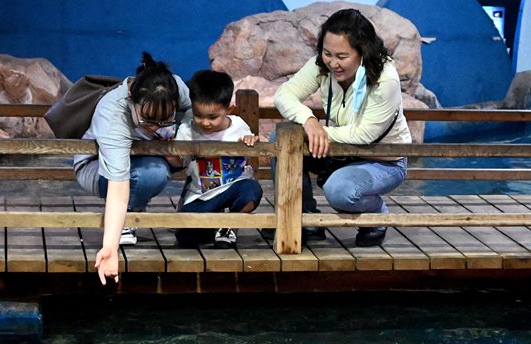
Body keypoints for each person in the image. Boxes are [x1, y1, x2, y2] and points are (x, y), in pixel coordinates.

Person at [273, 8, 411, 247]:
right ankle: (306, 220)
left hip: (383, 160)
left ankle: (377, 215)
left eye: (342, 56)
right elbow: (284, 94)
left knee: (340, 192)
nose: (333, 63)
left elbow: (363, 133)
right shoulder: (322, 65)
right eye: (327, 53)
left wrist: (319, 133)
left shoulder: (384, 78)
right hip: (340, 152)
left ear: (363, 52)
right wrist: (309, 120)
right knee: (281, 138)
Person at [73, 52, 191, 284]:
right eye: (148, 120)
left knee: (156, 169)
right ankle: (127, 221)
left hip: (146, 159)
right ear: (131, 99)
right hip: (95, 168)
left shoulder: (175, 86)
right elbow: (118, 186)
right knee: (152, 174)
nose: (155, 127)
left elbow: (191, 111)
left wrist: (179, 135)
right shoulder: (112, 115)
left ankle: (130, 214)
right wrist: (110, 247)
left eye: (164, 119)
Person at [174, 69, 262, 249]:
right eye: (199, 115)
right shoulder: (186, 131)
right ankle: (212, 225)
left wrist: (250, 140)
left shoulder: (238, 125)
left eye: (212, 117)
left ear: (228, 109)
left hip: (233, 188)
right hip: (201, 195)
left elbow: (252, 142)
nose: (205, 123)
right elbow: (178, 162)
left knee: (251, 190)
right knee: (186, 238)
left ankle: (229, 225)